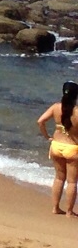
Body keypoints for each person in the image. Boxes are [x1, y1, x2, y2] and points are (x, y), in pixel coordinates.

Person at [40, 82, 78, 214]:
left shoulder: (56, 107)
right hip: (72, 148)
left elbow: (40, 121)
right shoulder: (77, 112)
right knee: (72, 182)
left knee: (59, 178)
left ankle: (55, 208)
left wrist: (47, 136)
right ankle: (69, 211)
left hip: (56, 146)